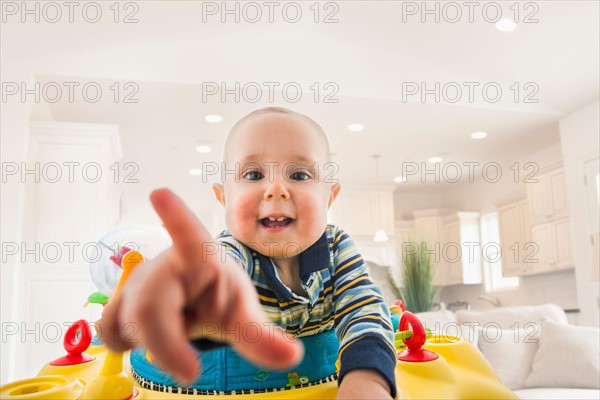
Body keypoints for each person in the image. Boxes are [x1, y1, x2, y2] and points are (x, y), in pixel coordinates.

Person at [99, 107, 397, 399]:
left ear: (329, 196)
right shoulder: (232, 250)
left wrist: (367, 379)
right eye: (254, 175)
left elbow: (364, 309)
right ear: (224, 197)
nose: (277, 188)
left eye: (300, 174)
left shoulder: (337, 248)